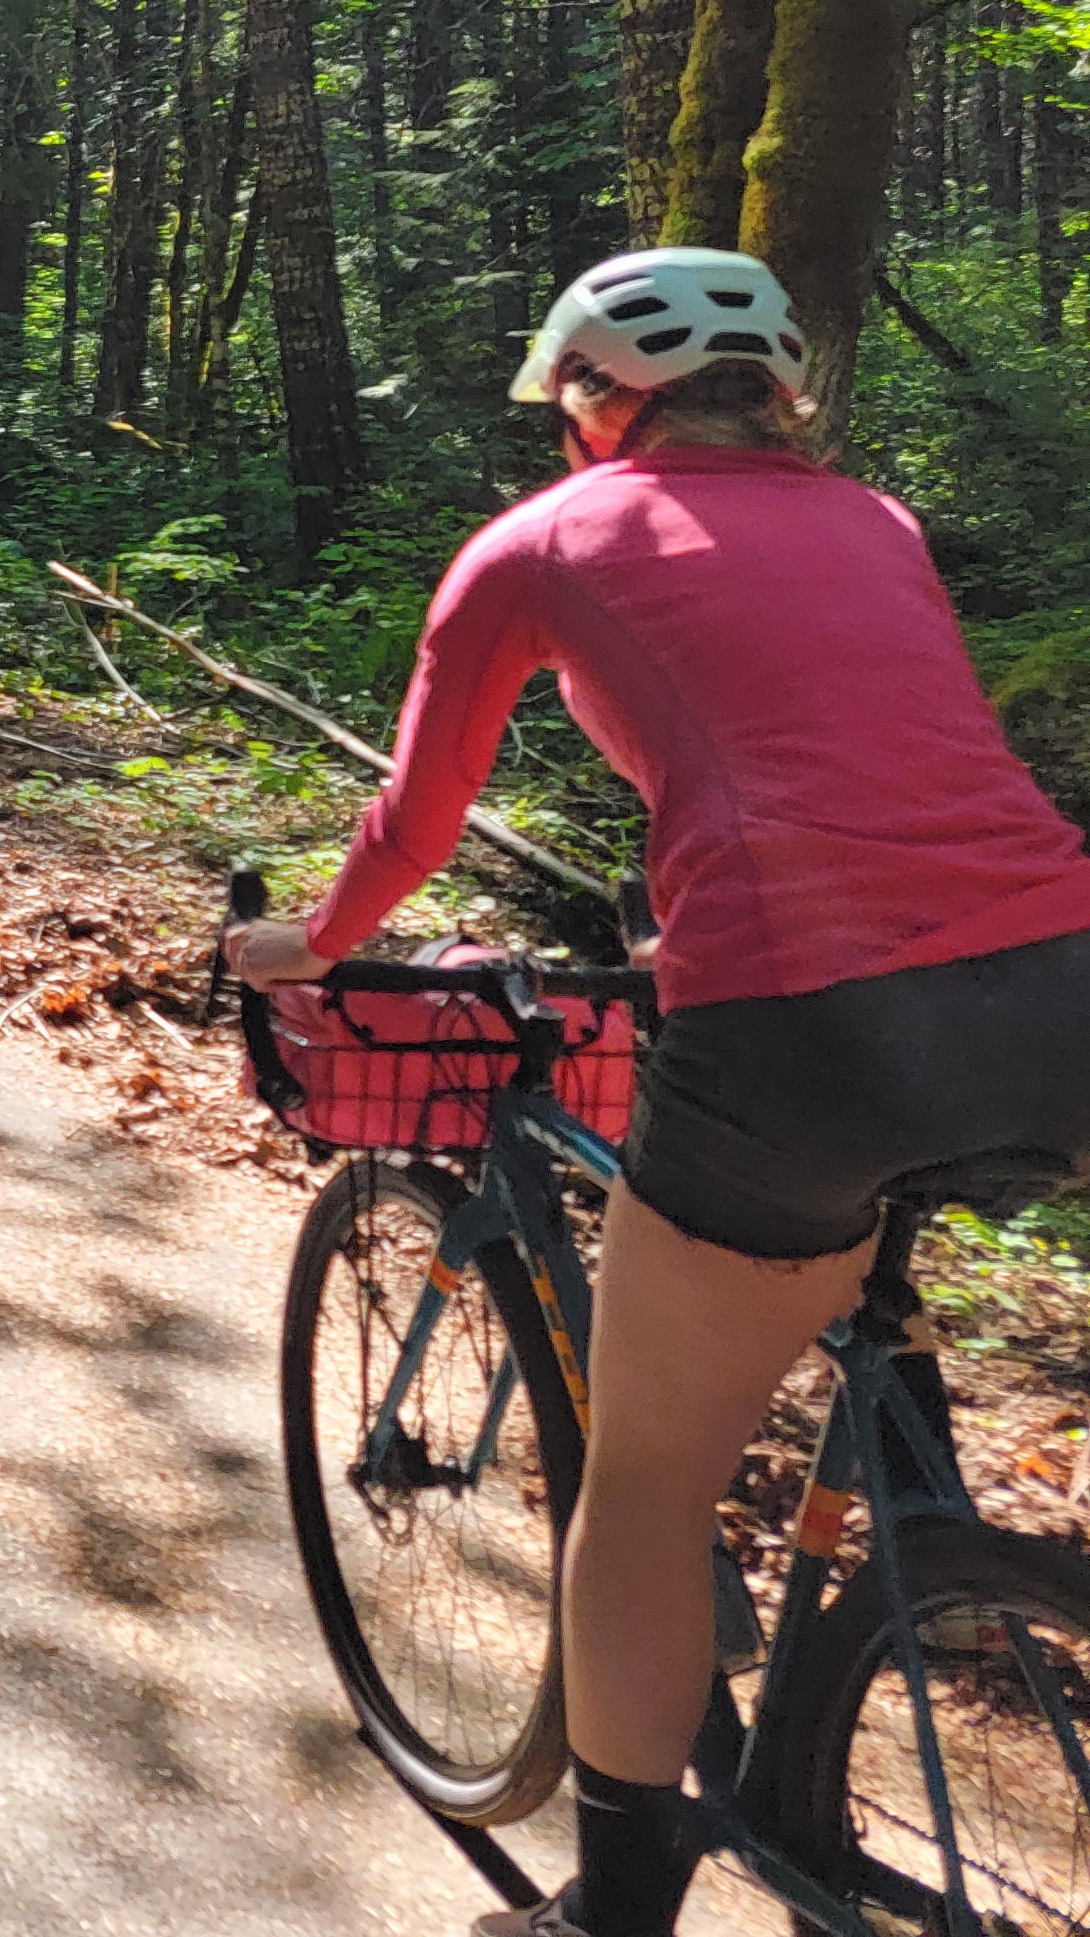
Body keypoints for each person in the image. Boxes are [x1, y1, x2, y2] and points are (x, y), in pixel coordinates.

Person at [221, 247, 1090, 1937]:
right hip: (1065, 984)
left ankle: (615, 1910)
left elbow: (416, 822)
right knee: (870, 1250)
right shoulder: (881, 526)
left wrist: (296, 944)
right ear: (776, 396)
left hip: (803, 1026)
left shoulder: (536, 546)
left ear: (593, 402)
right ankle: (938, 1563)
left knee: (645, 1488)